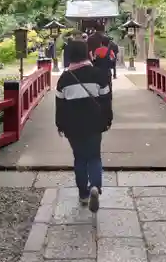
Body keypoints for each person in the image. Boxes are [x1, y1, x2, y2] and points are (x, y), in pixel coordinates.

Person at [56, 40, 113, 212]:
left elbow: (60, 106)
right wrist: (107, 119)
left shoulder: (64, 79)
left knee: (79, 158)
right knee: (94, 156)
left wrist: (60, 124)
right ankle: (95, 185)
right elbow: (106, 101)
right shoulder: (98, 74)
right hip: (94, 123)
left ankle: (83, 194)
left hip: (73, 126)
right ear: (87, 53)